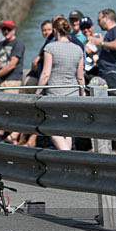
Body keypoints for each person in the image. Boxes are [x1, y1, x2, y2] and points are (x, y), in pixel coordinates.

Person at [36, 18, 85, 150]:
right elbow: (80, 77)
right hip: (73, 95)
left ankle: (67, 156)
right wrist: (83, 94)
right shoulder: (78, 50)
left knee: (53, 128)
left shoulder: (50, 48)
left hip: (55, 94)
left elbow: (45, 73)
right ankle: (67, 161)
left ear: (55, 31)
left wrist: (37, 92)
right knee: (67, 130)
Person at [87, 8, 116, 93]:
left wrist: (101, 43)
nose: (98, 23)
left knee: (111, 103)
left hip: (113, 74)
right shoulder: (110, 32)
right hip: (106, 73)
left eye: (99, 20)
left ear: (106, 18)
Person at [0, 20, 24, 93]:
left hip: (12, 80)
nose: (6, 32)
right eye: (4, 29)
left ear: (14, 30)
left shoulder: (18, 44)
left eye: (9, 29)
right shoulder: (1, 44)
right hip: (0, 80)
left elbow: (12, 65)